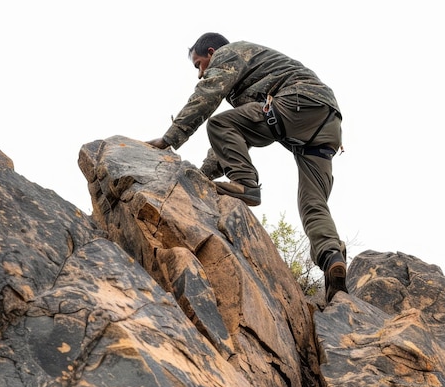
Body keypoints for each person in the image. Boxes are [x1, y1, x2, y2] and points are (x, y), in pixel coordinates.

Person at [147, 32, 347, 303]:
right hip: (327, 121)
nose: (199, 73)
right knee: (312, 203)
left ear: (211, 53)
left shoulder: (230, 53)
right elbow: (238, 135)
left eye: (198, 65)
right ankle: (332, 260)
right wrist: (203, 176)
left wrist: (169, 138)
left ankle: (247, 185)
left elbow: (208, 95)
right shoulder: (254, 72)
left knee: (218, 123)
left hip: (296, 102)